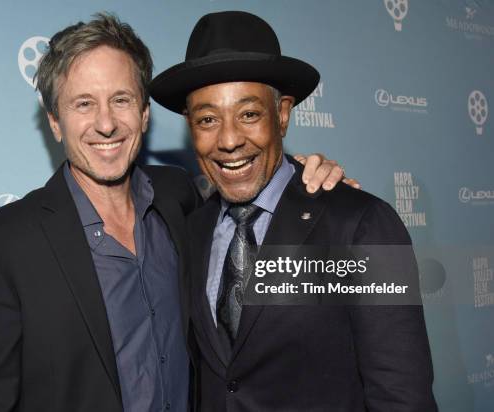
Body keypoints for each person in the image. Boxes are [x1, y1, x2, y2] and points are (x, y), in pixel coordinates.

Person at [0, 13, 353, 412]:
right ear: (55, 122)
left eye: (121, 100)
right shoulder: (2, 245)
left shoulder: (179, 197)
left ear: (144, 113)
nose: (106, 123)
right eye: (83, 104)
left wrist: (307, 185)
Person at [150, 11, 438, 412]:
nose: (229, 140)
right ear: (190, 126)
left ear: (282, 114)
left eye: (249, 114)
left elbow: (401, 395)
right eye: (208, 119)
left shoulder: (361, 225)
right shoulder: (192, 230)